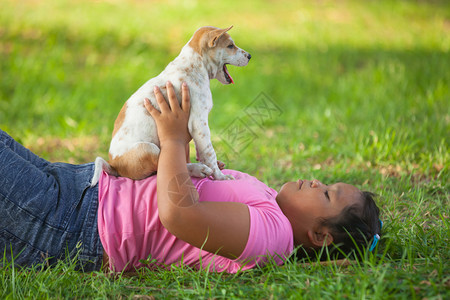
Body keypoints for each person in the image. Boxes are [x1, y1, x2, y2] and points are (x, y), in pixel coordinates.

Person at [0, 82, 381, 273]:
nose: (316, 181)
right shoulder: (269, 201)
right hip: (84, 188)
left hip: (75, 226)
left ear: (319, 236)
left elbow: (179, 215)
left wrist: (173, 137)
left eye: (328, 194)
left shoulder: (273, 237)